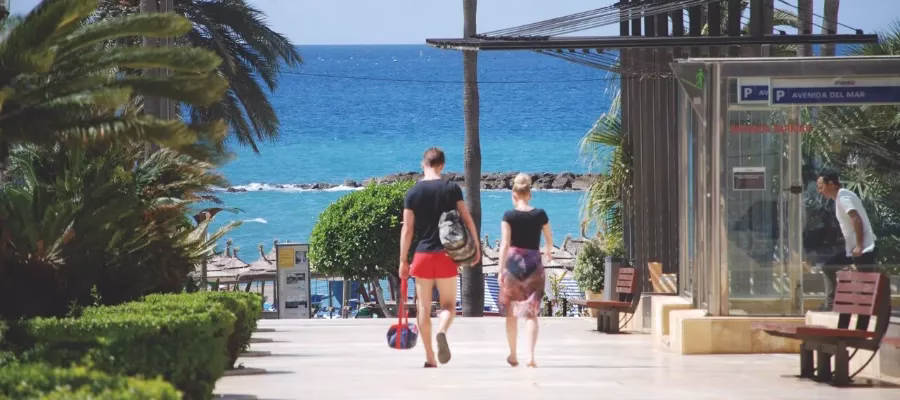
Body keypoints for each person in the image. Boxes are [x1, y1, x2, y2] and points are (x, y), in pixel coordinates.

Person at [399, 147, 479, 368]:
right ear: (442, 165)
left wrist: (403, 260)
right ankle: (442, 330)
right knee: (448, 306)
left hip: (422, 255)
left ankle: (430, 357)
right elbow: (467, 218)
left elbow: (407, 229)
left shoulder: (413, 193)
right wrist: (476, 245)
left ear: (423, 164)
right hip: (446, 255)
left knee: (423, 308)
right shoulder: (451, 189)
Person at [498, 174, 552, 368]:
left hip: (513, 265)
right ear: (529, 194)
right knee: (531, 313)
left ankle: (513, 355)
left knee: (511, 313)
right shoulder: (540, 215)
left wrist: (500, 269)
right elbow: (549, 238)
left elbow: (505, 244)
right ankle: (530, 356)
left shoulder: (508, 216)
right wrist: (548, 251)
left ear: (514, 195)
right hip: (533, 264)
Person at [816, 170, 878, 314]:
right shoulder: (839, 198)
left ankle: (868, 315)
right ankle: (831, 304)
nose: (820, 191)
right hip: (853, 250)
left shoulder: (843, 196)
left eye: (821, 187)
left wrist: (859, 245)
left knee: (866, 286)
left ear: (831, 184)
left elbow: (856, 219)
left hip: (863, 249)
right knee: (828, 268)